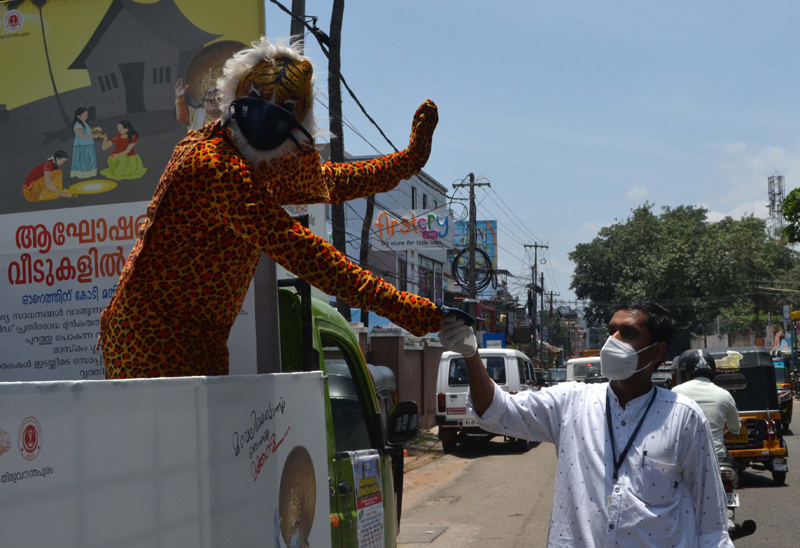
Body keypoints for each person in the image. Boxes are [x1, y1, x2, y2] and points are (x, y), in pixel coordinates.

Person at [100, 37, 443, 379]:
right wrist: (410, 311)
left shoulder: (243, 156)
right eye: (259, 99)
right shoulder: (214, 165)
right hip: (152, 340)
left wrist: (405, 163)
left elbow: (329, 181)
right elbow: (303, 251)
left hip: (196, 338)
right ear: (237, 91)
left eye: (286, 106)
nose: (267, 115)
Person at [439, 301, 733, 547]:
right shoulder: (572, 401)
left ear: (657, 352)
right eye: (611, 331)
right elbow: (495, 411)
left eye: (628, 333)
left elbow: (712, 525)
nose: (612, 341)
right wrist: (470, 354)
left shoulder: (683, 417)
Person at [672, 349, 741, 462]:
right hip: (717, 456)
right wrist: (725, 434)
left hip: (684, 457)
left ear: (688, 370)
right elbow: (735, 428)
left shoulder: (675, 392)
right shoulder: (724, 394)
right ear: (713, 370)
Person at [71, 107, 102, 178]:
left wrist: (94, 130)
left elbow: (87, 130)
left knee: (91, 159)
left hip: (89, 144)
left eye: (87, 115)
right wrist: (94, 136)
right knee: (83, 159)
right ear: (78, 116)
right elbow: (82, 135)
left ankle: (91, 172)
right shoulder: (77, 125)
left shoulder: (85, 123)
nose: (86, 117)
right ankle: (83, 174)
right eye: (84, 115)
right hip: (82, 145)